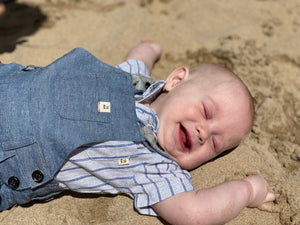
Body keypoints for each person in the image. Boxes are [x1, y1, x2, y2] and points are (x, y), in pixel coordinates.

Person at [0, 41, 276, 224]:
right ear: (176, 80)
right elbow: (138, 61)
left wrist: (248, 190)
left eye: (215, 144)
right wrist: (150, 49)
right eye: (206, 111)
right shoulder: (132, 82)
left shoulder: (153, 167)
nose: (204, 132)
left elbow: (195, 213)